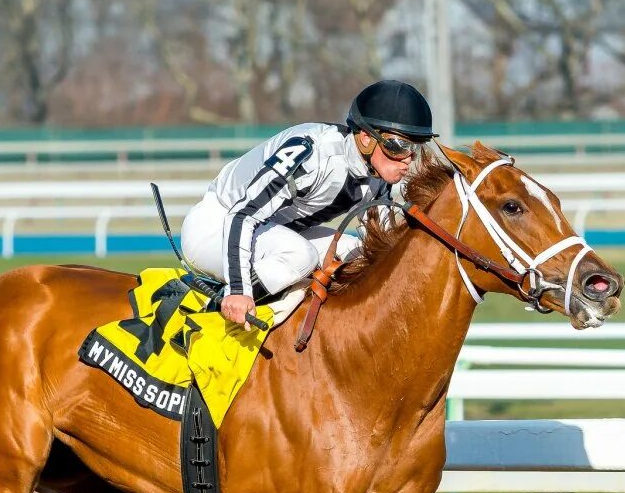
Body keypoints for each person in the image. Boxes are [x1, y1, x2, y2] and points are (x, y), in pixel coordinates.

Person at [179, 80, 436, 328]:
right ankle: (211, 312)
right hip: (216, 227)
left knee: (361, 253)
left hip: (271, 231)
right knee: (300, 256)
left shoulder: (377, 175)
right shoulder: (311, 154)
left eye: (415, 148)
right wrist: (239, 290)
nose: (407, 159)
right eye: (399, 145)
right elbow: (242, 216)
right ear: (366, 138)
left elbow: (380, 244)